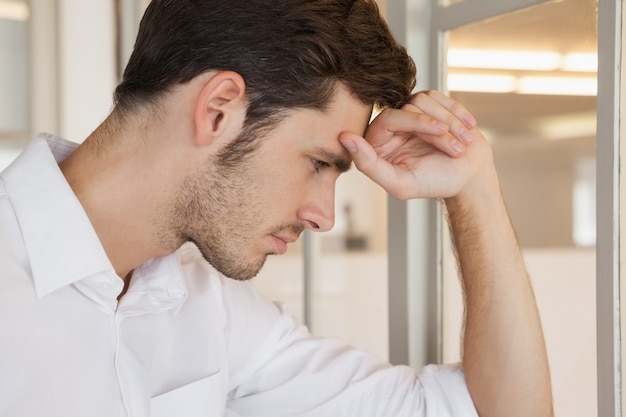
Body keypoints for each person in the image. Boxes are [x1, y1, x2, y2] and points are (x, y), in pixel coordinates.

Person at [0, 0, 553, 416]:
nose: (323, 216)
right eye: (318, 163)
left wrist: (473, 188)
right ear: (218, 110)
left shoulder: (213, 310)